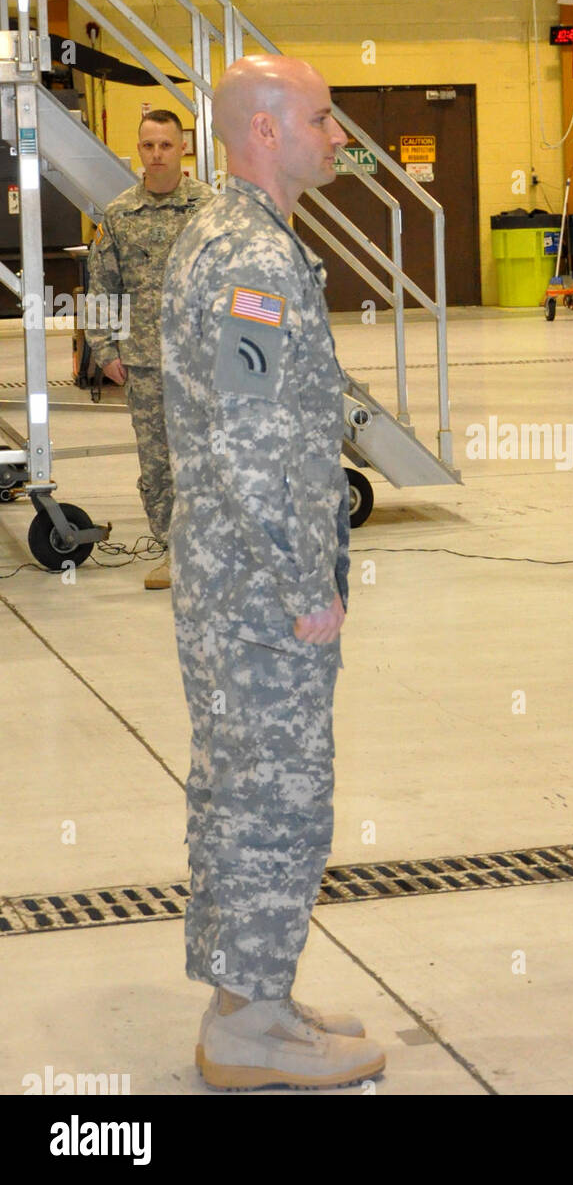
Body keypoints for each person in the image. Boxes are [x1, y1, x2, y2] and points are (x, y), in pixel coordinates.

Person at [162, 55, 385, 1090]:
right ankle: (249, 1028)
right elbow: (253, 445)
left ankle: (249, 992)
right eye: (320, 117)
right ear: (264, 131)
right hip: (261, 587)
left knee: (233, 787)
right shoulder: (248, 256)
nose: (337, 135)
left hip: (229, 575)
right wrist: (307, 591)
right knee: (275, 798)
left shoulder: (225, 233)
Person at [86, 110, 213, 589]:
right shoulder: (119, 214)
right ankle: (174, 553)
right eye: (148, 146)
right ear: (138, 150)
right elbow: (103, 287)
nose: (156, 154)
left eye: (165, 145)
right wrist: (104, 349)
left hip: (203, 361)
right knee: (158, 462)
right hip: (143, 361)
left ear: (183, 147)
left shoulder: (209, 207)